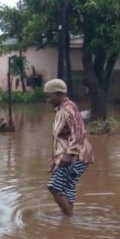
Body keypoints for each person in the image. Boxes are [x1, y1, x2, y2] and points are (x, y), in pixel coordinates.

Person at [44, 79, 94, 217]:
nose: (47, 100)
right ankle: (69, 220)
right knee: (66, 187)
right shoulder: (60, 110)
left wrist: (68, 155)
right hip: (72, 155)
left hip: (77, 156)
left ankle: (68, 219)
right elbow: (59, 139)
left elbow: (79, 132)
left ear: (59, 94)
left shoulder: (69, 108)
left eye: (49, 96)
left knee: (54, 187)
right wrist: (54, 161)